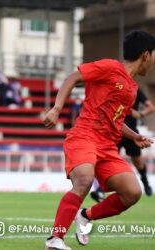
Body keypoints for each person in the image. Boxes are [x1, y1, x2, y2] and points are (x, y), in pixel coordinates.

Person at [43, 30, 155, 250]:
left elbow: (114, 120)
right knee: (84, 180)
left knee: (132, 192)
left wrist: (134, 136)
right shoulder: (110, 67)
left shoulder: (132, 89)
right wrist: (57, 108)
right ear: (146, 55)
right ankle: (55, 239)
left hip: (107, 146)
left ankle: (85, 215)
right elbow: (72, 77)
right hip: (84, 136)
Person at [90, 88, 155, 202]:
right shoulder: (114, 89)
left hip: (131, 133)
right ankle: (100, 190)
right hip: (115, 132)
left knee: (138, 162)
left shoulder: (135, 90)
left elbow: (151, 107)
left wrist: (140, 114)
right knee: (111, 161)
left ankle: (145, 182)